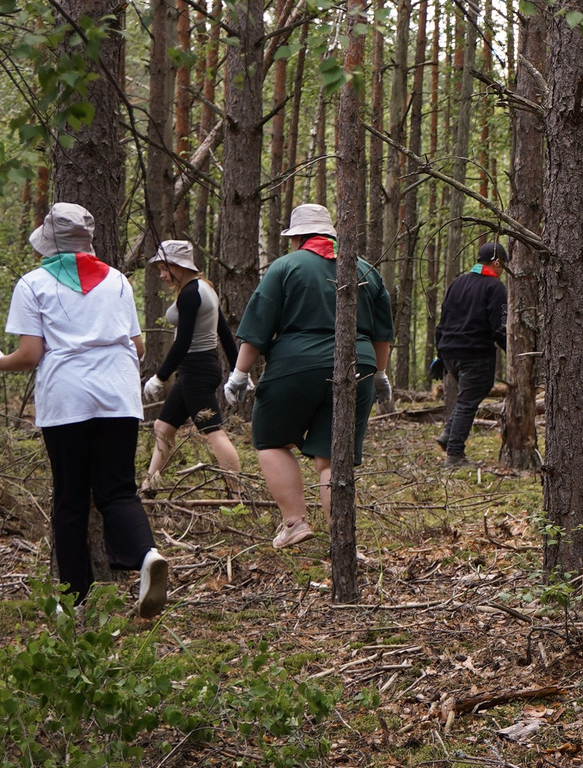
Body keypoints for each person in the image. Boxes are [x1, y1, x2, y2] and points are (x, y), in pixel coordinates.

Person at [0, 203, 170, 616]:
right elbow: (137, 346)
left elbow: (31, 354)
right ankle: (146, 556)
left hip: (67, 399)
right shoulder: (118, 281)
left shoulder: (33, 284)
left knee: (70, 498)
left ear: (49, 243)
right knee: (117, 490)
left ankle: (74, 600)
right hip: (119, 395)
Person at [227, 203, 394, 549]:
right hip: (357, 366)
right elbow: (382, 334)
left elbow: (258, 326)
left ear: (298, 237)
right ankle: (342, 542)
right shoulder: (365, 268)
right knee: (333, 457)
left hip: (294, 365)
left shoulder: (286, 266)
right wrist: (379, 374)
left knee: (271, 440)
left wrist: (240, 373)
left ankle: (295, 523)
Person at [140, 241, 243, 491]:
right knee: (163, 427)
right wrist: (237, 367)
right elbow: (224, 333)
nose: (162, 275)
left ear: (180, 266)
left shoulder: (191, 294)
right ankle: (149, 488)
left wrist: (160, 377)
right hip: (195, 369)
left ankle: (239, 492)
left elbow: (183, 342)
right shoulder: (203, 288)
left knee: (213, 431)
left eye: (165, 268)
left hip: (197, 370)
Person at [433, 241, 508, 468]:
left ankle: (448, 435)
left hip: (450, 352)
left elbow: (443, 318)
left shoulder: (458, 282)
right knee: (469, 400)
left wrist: (439, 352)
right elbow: (499, 326)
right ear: (496, 263)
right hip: (475, 352)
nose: (503, 270)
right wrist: (514, 352)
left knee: (467, 397)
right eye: (502, 265)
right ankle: (454, 455)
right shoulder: (495, 287)